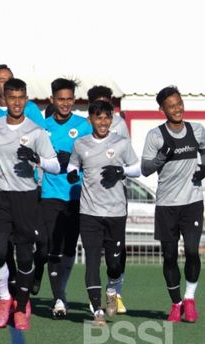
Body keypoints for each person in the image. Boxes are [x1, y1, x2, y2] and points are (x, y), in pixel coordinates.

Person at [0, 78, 59, 330]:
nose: (16, 102)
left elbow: (55, 165)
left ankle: (22, 306)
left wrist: (37, 159)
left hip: (26, 198)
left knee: (25, 257)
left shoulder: (36, 131)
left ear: (26, 99)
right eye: (11, 97)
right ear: (4, 97)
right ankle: (4, 298)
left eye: (20, 97)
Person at [141, 86, 205, 323]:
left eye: (179, 103)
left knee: (192, 251)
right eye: (171, 106)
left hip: (192, 201)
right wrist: (162, 156)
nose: (177, 108)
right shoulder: (155, 136)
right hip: (166, 205)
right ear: (162, 110)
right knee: (169, 256)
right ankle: (176, 304)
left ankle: (189, 299)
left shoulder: (197, 130)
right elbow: (145, 169)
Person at [67, 100, 140, 325]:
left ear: (111, 119)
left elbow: (138, 168)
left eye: (107, 117)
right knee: (91, 260)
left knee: (114, 263)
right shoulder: (81, 144)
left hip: (116, 212)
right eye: (98, 117)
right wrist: (72, 173)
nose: (103, 122)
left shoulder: (121, 143)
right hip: (89, 212)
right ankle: (97, 310)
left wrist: (121, 170)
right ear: (90, 119)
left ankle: (112, 289)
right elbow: (73, 165)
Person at [36, 78, 92, 318]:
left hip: (78, 194)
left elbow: (93, 155)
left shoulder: (84, 126)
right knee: (52, 246)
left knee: (70, 247)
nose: (66, 103)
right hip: (50, 194)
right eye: (61, 99)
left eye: (70, 99)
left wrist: (74, 159)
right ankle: (58, 297)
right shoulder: (42, 127)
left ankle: (62, 292)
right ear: (52, 100)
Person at [86, 85, 129, 313]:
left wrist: (120, 171)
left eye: (107, 107)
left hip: (116, 200)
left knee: (116, 257)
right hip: (90, 202)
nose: (103, 117)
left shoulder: (120, 126)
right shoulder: (83, 129)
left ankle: (115, 292)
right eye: (98, 109)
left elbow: (130, 162)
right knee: (92, 255)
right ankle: (95, 301)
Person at [0, 64, 44, 131]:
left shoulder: (30, 107)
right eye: (2, 81)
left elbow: (42, 135)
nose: (7, 83)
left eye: (10, 79)